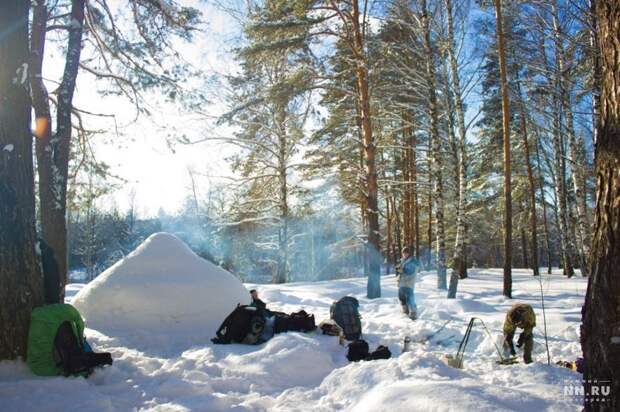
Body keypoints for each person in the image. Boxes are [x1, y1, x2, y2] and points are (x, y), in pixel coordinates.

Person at [397, 246, 419, 320]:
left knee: (410, 297)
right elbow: (401, 270)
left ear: (409, 253)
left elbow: (410, 271)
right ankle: (405, 310)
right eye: (403, 253)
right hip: (402, 282)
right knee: (401, 296)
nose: (405, 254)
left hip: (409, 281)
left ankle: (413, 312)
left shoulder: (412, 261)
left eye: (406, 253)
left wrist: (402, 270)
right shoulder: (403, 260)